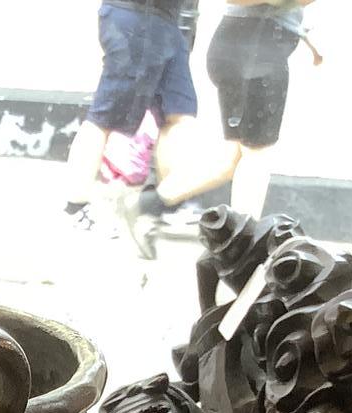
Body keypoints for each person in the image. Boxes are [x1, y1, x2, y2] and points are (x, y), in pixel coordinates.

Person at [122, 0, 321, 254]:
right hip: (257, 49)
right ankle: (241, 246)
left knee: (232, 157)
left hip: (244, 46)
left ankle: (147, 205)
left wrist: (309, 40)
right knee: (257, 156)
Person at [65, 0, 200, 233]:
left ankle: (167, 205)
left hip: (166, 21)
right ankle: (76, 208)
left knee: (179, 113)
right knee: (104, 116)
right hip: (135, 17)